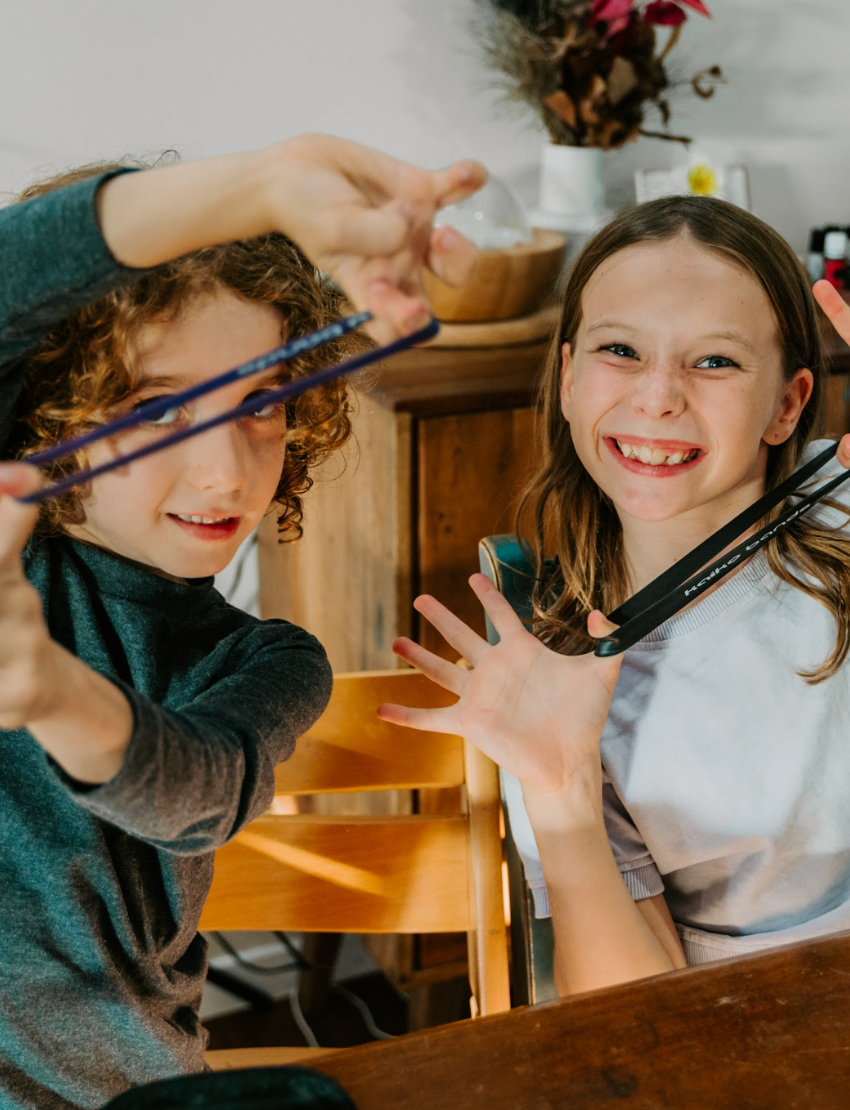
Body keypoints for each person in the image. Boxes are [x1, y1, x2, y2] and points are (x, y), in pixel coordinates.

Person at [0, 135, 486, 1110]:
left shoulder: (266, 660)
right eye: (157, 408)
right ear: (48, 411)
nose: (226, 472)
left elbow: (201, 788)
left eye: (262, 403)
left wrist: (51, 691)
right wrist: (261, 185)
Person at [378, 193, 850, 997]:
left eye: (715, 361)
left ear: (788, 404)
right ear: (567, 379)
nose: (658, 397)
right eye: (621, 350)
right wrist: (561, 789)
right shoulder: (558, 681)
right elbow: (629, 1012)